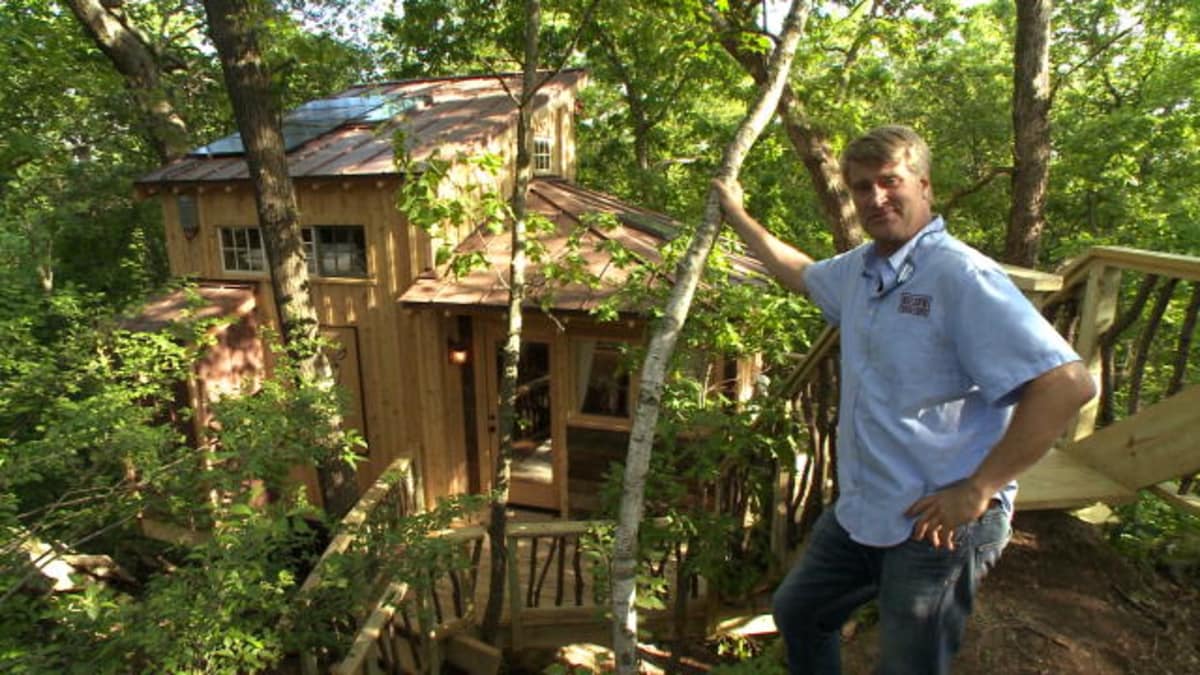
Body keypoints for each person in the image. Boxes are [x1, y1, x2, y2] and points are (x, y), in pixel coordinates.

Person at [712, 125, 1096, 674]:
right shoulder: (861, 270)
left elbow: (1067, 384)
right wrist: (737, 214)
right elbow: (800, 273)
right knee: (800, 612)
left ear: (924, 186)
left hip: (937, 522)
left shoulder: (961, 276)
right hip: (865, 507)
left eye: (890, 181)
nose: (876, 197)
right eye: (862, 187)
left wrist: (979, 488)